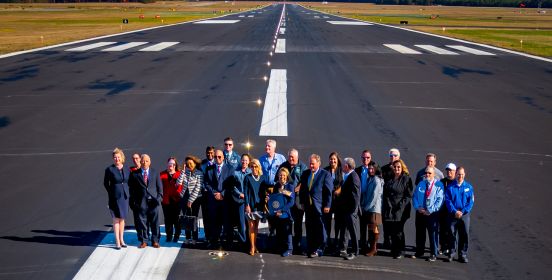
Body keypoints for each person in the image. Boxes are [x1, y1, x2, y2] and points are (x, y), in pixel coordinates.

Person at [299, 154, 333, 258]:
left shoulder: (325, 174)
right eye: (310, 163)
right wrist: (302, 202)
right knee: (310, 228)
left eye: (313, 164)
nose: (311, 166)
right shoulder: (305, 174)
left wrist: (327, 205)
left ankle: (320, 249)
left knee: (321, 229)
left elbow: (328, 191)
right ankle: (311, 248)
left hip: (320, 208)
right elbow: (302, 190)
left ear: (319, 163)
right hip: (309, 207)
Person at [129, 154, 163, 249]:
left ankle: (155, 240)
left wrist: (159, 199)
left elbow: (159, 188)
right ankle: (144, 241)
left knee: (155, 223)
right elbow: (131, 189)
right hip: (141, 202)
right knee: (142, 223)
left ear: (150, 162)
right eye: (143, 161)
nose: (144, 163)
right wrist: (134, 202)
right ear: (140, 162)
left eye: (146, 161)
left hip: (153, 202)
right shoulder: (135, 174)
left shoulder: (155, 172)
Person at [277, 148, 308, 254]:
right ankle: (286, 246)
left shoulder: (302, 167)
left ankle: (298, 245)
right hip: (286, 200)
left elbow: (305, 180)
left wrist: (299, 186)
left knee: (298, 225)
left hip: (298, 201)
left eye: (293, 157)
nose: (291, 159)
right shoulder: (283, 165)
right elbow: (278, 178)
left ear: (297, 157)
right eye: (289, 157)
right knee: (286, 224)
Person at [203, 150, 234, 249]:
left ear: (223, 157)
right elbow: (206, 183)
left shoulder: (230, 168)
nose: (217, 159)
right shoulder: (209, 169)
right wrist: (214, 193)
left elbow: (231, 184)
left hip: (226, 201)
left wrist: (223, 194)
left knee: (227, 222)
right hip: (214, 200)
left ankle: (229, 243)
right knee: (214, 223)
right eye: (215, 157)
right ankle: (214, 242)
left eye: (219, 157)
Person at [382, 159, 413, 259]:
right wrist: (388, 204)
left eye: (399, 167)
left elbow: (408, 196)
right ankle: (394, 249)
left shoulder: (406, 179)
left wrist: (400, 206)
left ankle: (401, 250)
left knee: (399, 230)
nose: (397, 169)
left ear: (402, 167)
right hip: (390, 208)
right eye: (395, 167)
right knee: (392, 229)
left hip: (401, 209)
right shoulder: (390, 177)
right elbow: (386, 191)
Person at [413, 166, 444, 262]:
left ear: (434, 174)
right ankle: (419, 251)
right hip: (421, 212)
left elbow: (440, 199)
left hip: (432, 214)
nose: (427, 175)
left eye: (429, 173)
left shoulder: (439, 185)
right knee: (420, 233)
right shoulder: (421, 184)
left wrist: (430, 210)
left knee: (433, 234)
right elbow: (414, 197)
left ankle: (433, 253)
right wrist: (418, 208)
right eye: (426, 173)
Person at [445, 166, 474, 263]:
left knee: (464, 235)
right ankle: (451, 253)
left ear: (464, 175)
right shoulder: (450, 187)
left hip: (464, 215)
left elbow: (471, 202)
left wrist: (463, 211)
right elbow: (448, 201)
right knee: (452, 234)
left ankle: (463, 254)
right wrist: (455, 211)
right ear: (456, 174)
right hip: (453, 215)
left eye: (462, 174)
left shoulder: (469, 187)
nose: (460, 176)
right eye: (458, 174)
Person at [103, 148, 130, 249]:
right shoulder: (109, 169)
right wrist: (112, 192)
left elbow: (129, 181)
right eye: (115, 157)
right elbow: (106, 183)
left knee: (122, 219)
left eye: (118, 157)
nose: (117, 159)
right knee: (116, 219)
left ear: (121, 157)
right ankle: (117, 242)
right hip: (114, 197)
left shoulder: (127, 168)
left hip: (125, 197)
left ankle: (122, 239)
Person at [337, 158, 361, 260]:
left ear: (347, 166)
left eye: (343, 165)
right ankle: (343, 248)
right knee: (345, 230)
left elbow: (356, 195)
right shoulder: (348, 176)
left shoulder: (353, 177)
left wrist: (353, 210)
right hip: (346, 209)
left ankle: (355, 251)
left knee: (353, 231)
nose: (342, 167)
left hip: (351, 210)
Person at [380, 148, 404, 248]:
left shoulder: (402, 170)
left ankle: (396, 244)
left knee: (397, 226)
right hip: (386, 200)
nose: (393, 157)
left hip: (397, 203)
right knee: (386, 221)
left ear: (399, 157)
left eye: (395, 155)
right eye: (391, 156)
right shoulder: (384, 169)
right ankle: (386, 241)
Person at [268, 168, 295, 257]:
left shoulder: (290, 186)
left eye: (283, 175)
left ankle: (289, 249)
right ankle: (281, 248)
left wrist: (282, 210)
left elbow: (291, 201)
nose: (282, 177)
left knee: (287, 232)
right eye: (280, 175)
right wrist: (269, 200)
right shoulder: (276, 186)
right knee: (279, 231)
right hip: (277, 213)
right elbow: (274, 199)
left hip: (286, 213)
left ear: (287, 176)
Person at [177, 156, 203, 245]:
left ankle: (194, 238)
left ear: (195, 163)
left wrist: (190, 201)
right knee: (186, 218)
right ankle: (188, 237)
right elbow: (178, 183)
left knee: (194, 217)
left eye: (191, 164)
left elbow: (198, 188)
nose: (189, 165)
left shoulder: (199, 173)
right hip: (184, 197)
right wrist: (183, 171)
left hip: (196, 198)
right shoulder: (185, 172)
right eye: (187, 164)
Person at [243, 159, 268, 256]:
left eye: (256, 166)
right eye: (252, 167)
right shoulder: (247, 178)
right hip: (251, 206)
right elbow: (245, 192)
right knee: (251, 227)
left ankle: (255, 245)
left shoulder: (263, 178)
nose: (254, 168)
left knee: (256, 227)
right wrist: (247, 205)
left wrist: (266, 198)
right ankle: (252, 246)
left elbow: (264, 191)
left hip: (259, 206)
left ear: (259, 167)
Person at [359, 162, 384, 257]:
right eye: (369, 168)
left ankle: (374, 249)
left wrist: (366, 207)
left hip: (374, 209)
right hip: (369, 208)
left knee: (374, 229)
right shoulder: (370, 179)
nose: (370, 170)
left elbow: (374, 196)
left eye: (372, 168)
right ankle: (371, 248)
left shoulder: (377, 180)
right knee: (371, 228)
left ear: (376, 169)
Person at [323, 152, 343, 254]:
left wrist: (340, 189)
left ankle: (336, 240)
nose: (332, 161)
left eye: (334, 159)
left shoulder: (342, 170)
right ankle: (327, 240)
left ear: (338, 160)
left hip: (338, 201)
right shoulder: (325, 170)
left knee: (338, 222)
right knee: (327, 221)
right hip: (328, 200)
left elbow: (345, 182)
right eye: (331, 159)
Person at [230, 154, 252, 246]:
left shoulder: (251, 172)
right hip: (240, 201)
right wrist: (240, 194)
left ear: (249, 161)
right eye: (243, 160)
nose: (244, 162)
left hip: (249, 201)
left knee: (250, 223)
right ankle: (243, 242)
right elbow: (233, 186)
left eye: (246, 160)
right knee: (241, 223)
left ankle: (250, 242)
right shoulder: (236, 173)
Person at [160, 157, 182, 243]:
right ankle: (169, 235)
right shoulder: (162, 174)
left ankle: (177, 235)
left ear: (175, 165)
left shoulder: (179, 174)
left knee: (176, 219)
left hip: (177, 200)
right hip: (166, 200)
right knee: (168, 219)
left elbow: (182, 187)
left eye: (173, 164)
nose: (171, 166)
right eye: (169, 164)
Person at [439, 163, 457, 256]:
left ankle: (451, 248)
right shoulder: (442, 182)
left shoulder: (456, 182)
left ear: (455, 172)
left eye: (451, 170)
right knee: (442, 229)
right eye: (448, 170)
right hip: (443, 210)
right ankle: (443, 247)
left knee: (451, 230)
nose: (449, 172)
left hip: (452, 211)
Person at [200, 146, 215, 241]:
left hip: (216, 194)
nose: (210, 154)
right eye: (208, 153)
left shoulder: (218, 162)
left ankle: (216, 235)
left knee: (215, 216)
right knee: (206, 216)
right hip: (205, 195)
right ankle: (208, 235)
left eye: (211, 153)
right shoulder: (202, 164)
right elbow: (200, 179)